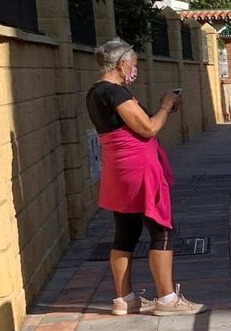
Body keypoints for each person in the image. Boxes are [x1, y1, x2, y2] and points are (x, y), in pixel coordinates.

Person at [87, 39, 205, 317]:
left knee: (125, 231)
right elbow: (149, 127)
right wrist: (165, 105)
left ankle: (123, 297)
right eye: (133, 64)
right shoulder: (116, 93)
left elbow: (133, 125)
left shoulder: (95, 93)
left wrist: (161, 111)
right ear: (120, 63)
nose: (134, 69)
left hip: (118, 168)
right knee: (161, 229)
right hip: (139, 168)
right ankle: (166, 297)